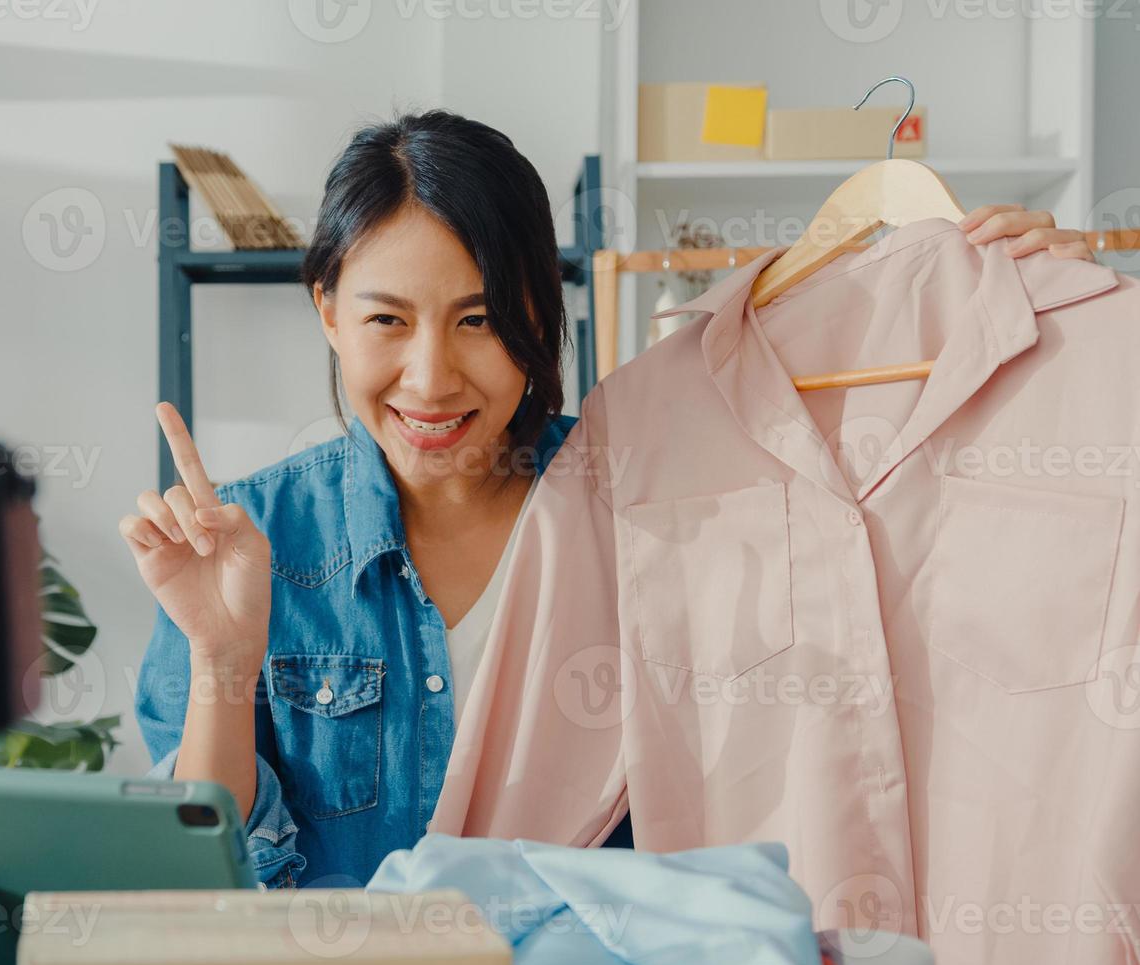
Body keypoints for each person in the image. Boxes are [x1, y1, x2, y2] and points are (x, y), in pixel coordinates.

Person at [121, 109, 1095, 888]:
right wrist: (219, 657)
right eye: (387, 319)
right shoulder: (243, 543)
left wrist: (1023, 316)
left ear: (541, 312)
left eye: (478, 319)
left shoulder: (654, 498)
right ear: (326, 309)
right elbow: (208, 886)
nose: (429, 377)